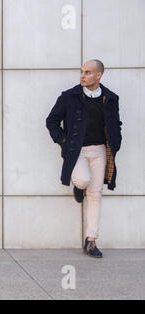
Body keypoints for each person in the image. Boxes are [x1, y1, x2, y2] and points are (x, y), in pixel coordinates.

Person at [46, 59, 122, 258]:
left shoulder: (110, 98)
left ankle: (91, 240)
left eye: (88, 72)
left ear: (98, 75)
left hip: (100, 151)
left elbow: (116, 123)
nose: (83, 75)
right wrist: (64, 141)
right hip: (77, 151)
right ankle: (78, 188)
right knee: (83, 180)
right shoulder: (69, 97)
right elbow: (51, 121)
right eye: (81, 72)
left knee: (96, 195)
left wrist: (116, 141)